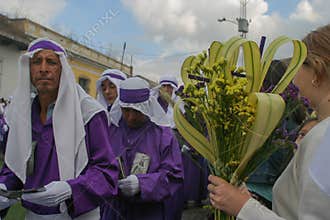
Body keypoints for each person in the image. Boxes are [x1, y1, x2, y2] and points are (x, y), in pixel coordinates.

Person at [208, 24, 330, 219]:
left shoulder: (323, 137)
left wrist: (242, 207)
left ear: (317, 71)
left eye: (297, 65)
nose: (293, 76)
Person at [0, 38, 119, 219]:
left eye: (51, 62)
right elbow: (15, 163)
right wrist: (4, 187)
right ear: (29, 69)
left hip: (77, 214)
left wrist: (71, 189)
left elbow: (106, 173)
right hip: (33, 214)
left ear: (62, 69)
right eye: (37, 62)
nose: (43, 69)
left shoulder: (89, 113)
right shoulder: (22, 114)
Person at [102, 77, 184, 220]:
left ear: (147, 106)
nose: (131, 117)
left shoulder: (163, 135)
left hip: (149, 212)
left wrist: (142, 184)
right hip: (114, 210)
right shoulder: (110, 130)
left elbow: (174, 177)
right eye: (126, 110)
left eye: (137, 111)